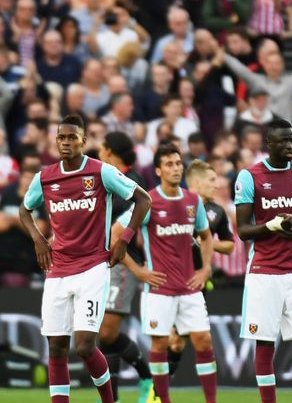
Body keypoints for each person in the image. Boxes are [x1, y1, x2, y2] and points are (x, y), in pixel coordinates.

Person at [19, 115, 152, 403]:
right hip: (57, 270)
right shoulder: (44, 177)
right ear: (56, 141)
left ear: (83, 141)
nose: (66, 142)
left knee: (84, 346)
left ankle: (108, 400)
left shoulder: (101, 172)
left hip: (92, 268)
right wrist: (39, 240)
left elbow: (144, 200)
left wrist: (125, 239)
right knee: (55, 346)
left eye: (72, 137)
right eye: (61, 137)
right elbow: (24, 210)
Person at [113, 145, 216, 403]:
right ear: (158, 170)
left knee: (203, 341)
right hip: (159, 289)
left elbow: (206, 237)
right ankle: (162, 400)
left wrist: (205, 269)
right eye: (169, 164)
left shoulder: (193, 201)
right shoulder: (148, 201)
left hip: (190, 287)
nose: (175, 168)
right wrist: (138, 271)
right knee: (159, 346)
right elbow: (116, 235)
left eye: (178, 163)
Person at [234, 118, 292, 403]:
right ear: (268, 144)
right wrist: (270, 226)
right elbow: (243, 230)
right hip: (263, 271)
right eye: (283, 141)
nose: (290, 145)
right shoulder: (249, 176)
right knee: (265, 343)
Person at [96, 132, 155, 403]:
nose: (99, 155)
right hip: (101, 261)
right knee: (102, 334)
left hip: (123, 262)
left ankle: (146, 377)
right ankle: (114, 397)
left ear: (109, 152)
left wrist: (136, 269)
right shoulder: (108, 178)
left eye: (102, 150)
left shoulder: (133, 183)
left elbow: (117, 233)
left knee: (106, 332)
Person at [166, 159, 235, 375]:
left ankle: (161, 384)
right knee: (166, 338)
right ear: (196, 182)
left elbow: (230, 245)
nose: (216, 185)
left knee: (178, 342)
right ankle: (155, 388)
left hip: (197, 281)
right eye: (212, 180)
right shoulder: (175, 204)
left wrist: (207, 242)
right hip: (171, 279)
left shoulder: (217, 211)